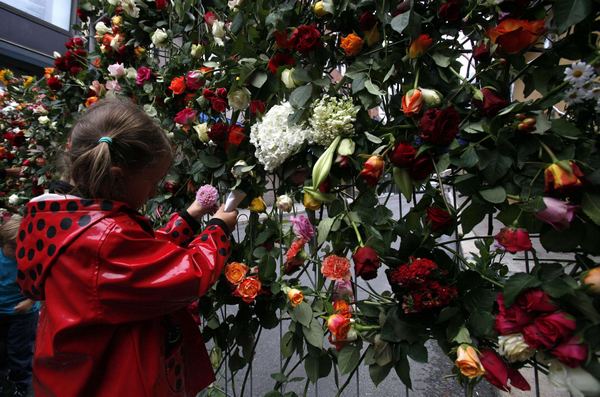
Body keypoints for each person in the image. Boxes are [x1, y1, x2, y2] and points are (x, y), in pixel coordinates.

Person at [15, 98, 237, 397]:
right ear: (119, 177)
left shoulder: (71, 223)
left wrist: (187, 218)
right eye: (152, 182)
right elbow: (186, 274)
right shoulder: (106, 240)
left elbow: (143, 257)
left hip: (73, 380)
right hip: (113, 384)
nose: (155, 191)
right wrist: (218, 230)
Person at [0, 215, 38, 397]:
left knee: (20, 352)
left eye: (21, 248)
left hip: (23, 314)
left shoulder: (29, 260)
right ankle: (3, 379)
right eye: (12, 248)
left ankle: (21, 385)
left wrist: (29, 301)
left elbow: (41, 284)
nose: (17, 253)